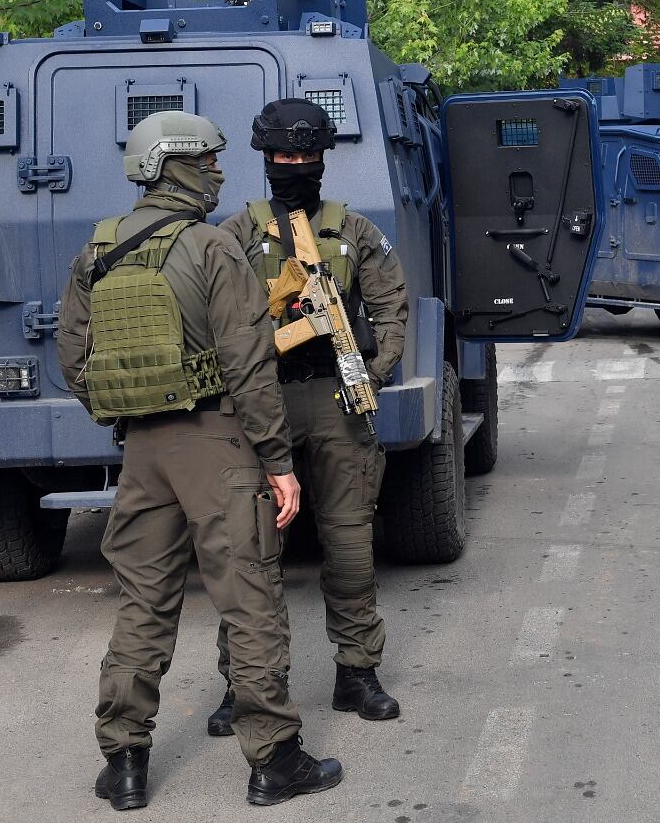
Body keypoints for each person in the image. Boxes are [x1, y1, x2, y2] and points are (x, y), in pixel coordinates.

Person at [57, 110, 342, 810]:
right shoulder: (214, 248)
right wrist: (278, 460)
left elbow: (74, 360)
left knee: (143, 602)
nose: (219, 171)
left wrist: (132, 408)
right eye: (208, 161)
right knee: (249, 598)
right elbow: (250, 368)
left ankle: (124, 760)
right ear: (174, 166)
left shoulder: (97, 250)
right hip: (218, 444)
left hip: (142, 451)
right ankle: (273, 759)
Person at [205, 98, 409, 735]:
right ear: (265, 159)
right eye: (283, 156)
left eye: (305, 156)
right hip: (259, 404)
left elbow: (392, 309)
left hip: (334, 399)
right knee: (250, 553)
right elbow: (212, 320)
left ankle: (357, 672)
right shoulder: (237, 234)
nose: (294, 166)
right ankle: (243, 683)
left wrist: (367, 376)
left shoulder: (354, 233)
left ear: (322, 159)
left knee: (349, 545)